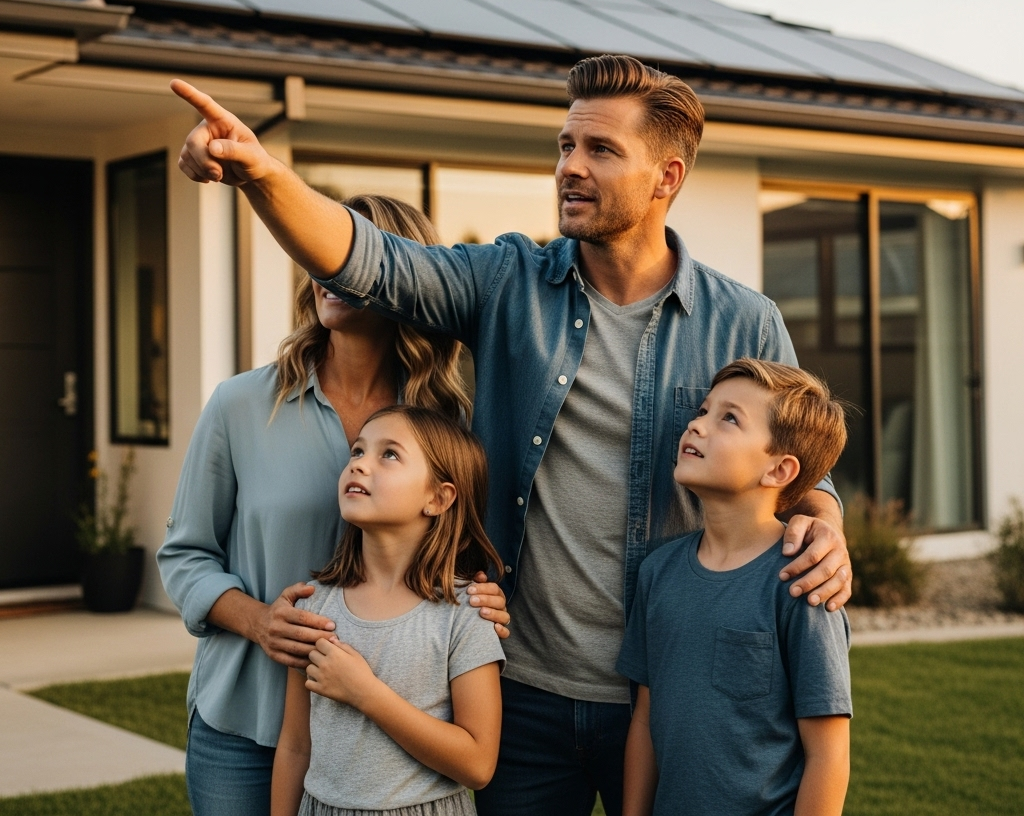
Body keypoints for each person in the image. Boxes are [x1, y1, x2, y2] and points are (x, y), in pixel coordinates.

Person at [171, 54, 854, 816]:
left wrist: (825, 524)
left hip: (661, 694)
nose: (571, 166)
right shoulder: (507, 282)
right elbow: (371, 261)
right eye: (566, 145)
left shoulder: (745, 321)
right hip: (521, 691)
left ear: (667, 176)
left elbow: (799, 466)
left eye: (601, 150)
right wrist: (262, 174)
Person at [157, 196, 510, 816]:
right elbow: (184, 555)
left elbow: (457, 551)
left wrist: (486, 597)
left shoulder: (445, 423)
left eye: (346, 256)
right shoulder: (241, 404)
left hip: (387, 739)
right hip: (245, 723)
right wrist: (259, 621)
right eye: (319, 256)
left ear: (403, 280)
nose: (327, 271)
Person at [618, 359, 852, 816]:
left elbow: (828, 755)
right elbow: (645, 720)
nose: (696, 425)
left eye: (728, 418)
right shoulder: (657, 573)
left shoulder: (802, 583)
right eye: (703, 410)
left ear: (779, 471)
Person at [271, 405, 506, 816]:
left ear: (438, 498)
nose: (359, 465)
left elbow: (478, 764)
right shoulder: (313, 606)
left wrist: (365, 693)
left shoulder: (465, 613)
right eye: (358, 451)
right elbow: (295, 746)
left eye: (389, 454)